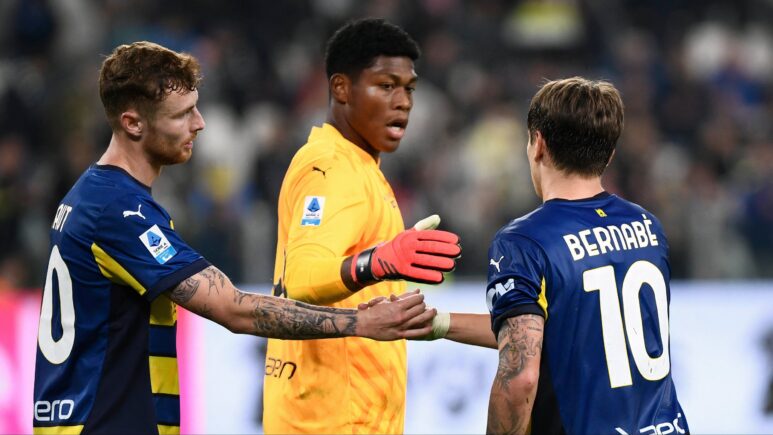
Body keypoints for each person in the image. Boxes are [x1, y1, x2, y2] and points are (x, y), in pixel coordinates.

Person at [32, 41, 436, 435]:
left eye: (196, 108)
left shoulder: (92, 195)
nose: (199, 123)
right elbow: (232, 308)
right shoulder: (118, 210)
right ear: (133, 123)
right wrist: (361, 321)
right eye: (182, 114)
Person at [416, 77, 689, 435]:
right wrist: (441, 322)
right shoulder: (647, 226)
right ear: (609, 154)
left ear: (538, 144)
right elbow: (560, 330)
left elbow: (520, 377)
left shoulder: (525, 241)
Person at [262, 18, 462, 434]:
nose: (403, 102)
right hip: (332, 421)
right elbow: (301, 277)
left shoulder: (358, 166)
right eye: (386, 86)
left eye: (409, 88)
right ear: (341, 88)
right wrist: (378, 261)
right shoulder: (334, 169)